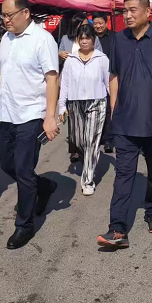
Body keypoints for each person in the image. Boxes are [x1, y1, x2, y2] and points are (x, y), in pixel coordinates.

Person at [97, 0, 152, 249]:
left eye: (133, 10)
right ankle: (117, 229)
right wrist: (114, 106)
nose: (128, 15)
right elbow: (114, 74)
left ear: (147, 12)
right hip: (125, 120)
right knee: (123, 174)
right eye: (125, 11)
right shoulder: (118, 39)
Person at [0, 0, 60, 250]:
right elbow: (4, 72)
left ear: (26, 13)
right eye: (3, 15)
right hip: (7, 113)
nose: (6, 20)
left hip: (31, 114)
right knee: (7, 164)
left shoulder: (42, 39)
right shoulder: (6, 39)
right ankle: (44, 186)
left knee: (23, 170)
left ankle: (24, 225)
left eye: (9, 15)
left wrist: (50, 116)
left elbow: (52, 79)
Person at [57, 24, 110, 195]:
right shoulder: (71, 60)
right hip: (75, 104)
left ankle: (88, 180)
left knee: (91, 141)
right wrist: (62, 105)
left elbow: (108, 83)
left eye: (88, 38)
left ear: (94, 39)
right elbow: (64, 84)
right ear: (77, 40)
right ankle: (87, 159)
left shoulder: (102, 59)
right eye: (82, 38)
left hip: (97, 103)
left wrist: (117, 104)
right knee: (78, 141)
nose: (85, 41)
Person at [58, 13, 102, 164]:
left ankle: (89, 148)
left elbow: (100, 56)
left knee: (88, 119)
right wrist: (60, 55)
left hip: (89, 84)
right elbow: (58, 56)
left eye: (86, 24)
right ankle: (75, 149)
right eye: (82, 24)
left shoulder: (94, 39)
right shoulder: (66, 39)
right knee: (73, 118)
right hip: (71, 84)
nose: (85, 27)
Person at [91, 12, 115, 153]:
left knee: (109, 108)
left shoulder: (115, 37)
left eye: (100, 23)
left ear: (106, 23)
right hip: (93, 78)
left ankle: (109, 140)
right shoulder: (90, 37)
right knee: (96, 109)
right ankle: (97, 137)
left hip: (110, 77)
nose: (98, 26)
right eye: (95, 23)